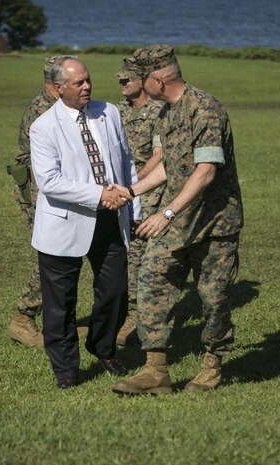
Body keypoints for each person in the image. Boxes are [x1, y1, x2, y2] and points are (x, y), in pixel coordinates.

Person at [111, 45, 244, 395]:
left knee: (214, 299)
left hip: (214, 225)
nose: (138, 84)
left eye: (142, 79)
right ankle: (156, 372)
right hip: (179, 221)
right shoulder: (168, 112)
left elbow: (205, 171)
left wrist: (165, 212)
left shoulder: (205, 109)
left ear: (157, 79)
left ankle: (212, 367)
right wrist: (131, 190)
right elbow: (172, 165)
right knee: (152, 278)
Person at [29, 57, 141, 388]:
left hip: (110, 220)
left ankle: (102, 347)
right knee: (60, 304)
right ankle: (66, 370)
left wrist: (135, 209)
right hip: (63, 225)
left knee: (116, 292)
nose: (87, 86)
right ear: (56, 88)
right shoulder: (43, 127)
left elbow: (125, 161)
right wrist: (97, 195)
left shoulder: (110, 112)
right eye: (78, 83)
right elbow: (49, 181)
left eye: (88, 80)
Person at [6, 55, 85, 347]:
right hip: (39, 190)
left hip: (51, 188)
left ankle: (62, 322)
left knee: (66, 254)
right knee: (53, 256)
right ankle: (22, 318)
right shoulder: (45, 109)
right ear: (55, 83)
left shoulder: (59, 105)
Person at [114, 57, 164, 345]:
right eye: (120, 80)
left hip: (148, 190)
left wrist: (133, 186)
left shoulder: (158, 111)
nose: (122, 84)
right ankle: (125, 310)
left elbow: (159, 156)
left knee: (139, 251)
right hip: (122, 191)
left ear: (142, 82)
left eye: (127, 80)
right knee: (123, 250)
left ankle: (135, 314)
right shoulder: (116, 111)